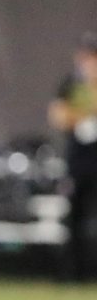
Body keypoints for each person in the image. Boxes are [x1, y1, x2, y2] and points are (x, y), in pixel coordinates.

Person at [48, 31, 97, 281]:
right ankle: (74, 275)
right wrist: (84, 114)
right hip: (79, 161)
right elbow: (58, 116)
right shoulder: (72, 83)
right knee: (74, 217)